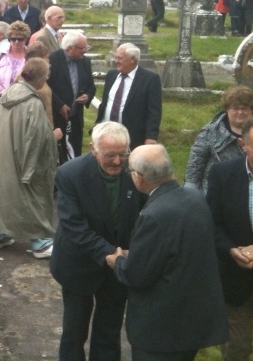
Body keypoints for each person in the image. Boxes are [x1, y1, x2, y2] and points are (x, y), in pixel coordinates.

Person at [107, 145, 228, 360]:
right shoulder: (195, 198)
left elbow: (136, 275)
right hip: (192, 323)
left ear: (138, 178)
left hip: (161, 331)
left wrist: (117, 261)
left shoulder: (153, 216)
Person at [50, 121, 145, 361]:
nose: (117, 161)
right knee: (74, 331)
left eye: (123, 154)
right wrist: (109, 253)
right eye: (109, 155)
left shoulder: (138, 172)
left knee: (109, 332)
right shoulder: (70, 174)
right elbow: (73, 226)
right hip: (78, 264)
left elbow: (146, 214)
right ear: (93, 149)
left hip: (118, 267)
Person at [0, 58, 59, 258]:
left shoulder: (5, 94)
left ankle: (1, 234)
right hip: (21, 159)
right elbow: (38, 139)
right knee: (31, 196)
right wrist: (53, 136)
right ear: (40, 80)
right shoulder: (32, 103)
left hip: (0, 155)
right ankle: (39, 242)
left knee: (3, 193)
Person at [207, 117, 253, 360]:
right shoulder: (223, 174)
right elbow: (212, 223)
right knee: (237, 347)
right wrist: (231, 250)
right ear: (242, 145)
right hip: (236, 279)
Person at [185, 84, 253, 193]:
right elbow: (195, 165)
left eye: (244, 108)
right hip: (214, 193)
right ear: (227, 109)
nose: (240, 112)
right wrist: (190, 193)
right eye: (235, 108)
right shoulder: (209, 132)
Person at [95, 43, 162, 151]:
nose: (116, 61)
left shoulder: (150, 79)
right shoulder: (112, 75)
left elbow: (154, 111)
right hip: (106, 133)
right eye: (115, 57)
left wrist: (151, 136)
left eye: (119, 58)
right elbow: (106, 102)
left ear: (133, 59)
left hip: (133, 136)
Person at [47, 31, 96, 161]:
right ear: (70, 48)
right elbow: (46, 87)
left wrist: (87, 96)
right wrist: (59, 105)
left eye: (86, 48)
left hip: (76, 118)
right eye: (82, 48)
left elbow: (91, 87)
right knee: (58, 153)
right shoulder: (52, 60)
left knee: (75, 153)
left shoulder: (85, 62)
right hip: (57, 116)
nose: (85, 51)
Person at [0, 20, 30, 111]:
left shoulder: (30, 57)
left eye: (20, 39)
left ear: (26, 39)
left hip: (21, 105)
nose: (16, 42)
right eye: (13, 39)